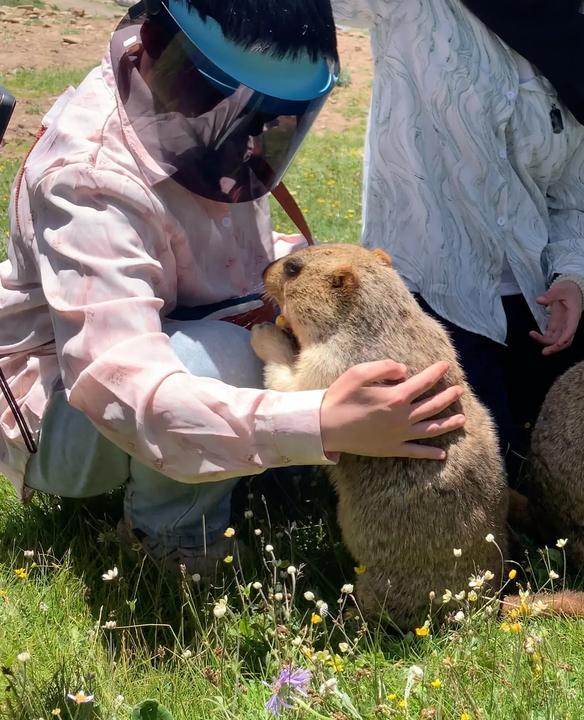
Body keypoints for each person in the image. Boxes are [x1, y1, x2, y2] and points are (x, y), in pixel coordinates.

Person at [0, 0, 466, 576]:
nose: (252, 142)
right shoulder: (87, 179)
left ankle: (242, 467)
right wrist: (320, 421)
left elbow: (230, 263)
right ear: (154, 48)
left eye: (271, 119)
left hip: (174, 343)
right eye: (224, 106)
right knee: (230, 355)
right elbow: (119, 385)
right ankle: (169, 539)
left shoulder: (206, 116)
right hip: (64, 418)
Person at [331, 0, 584, 483]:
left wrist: (573, 280)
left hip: (536, 295)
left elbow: (576, 199)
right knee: (488, 474)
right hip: (431, 293)